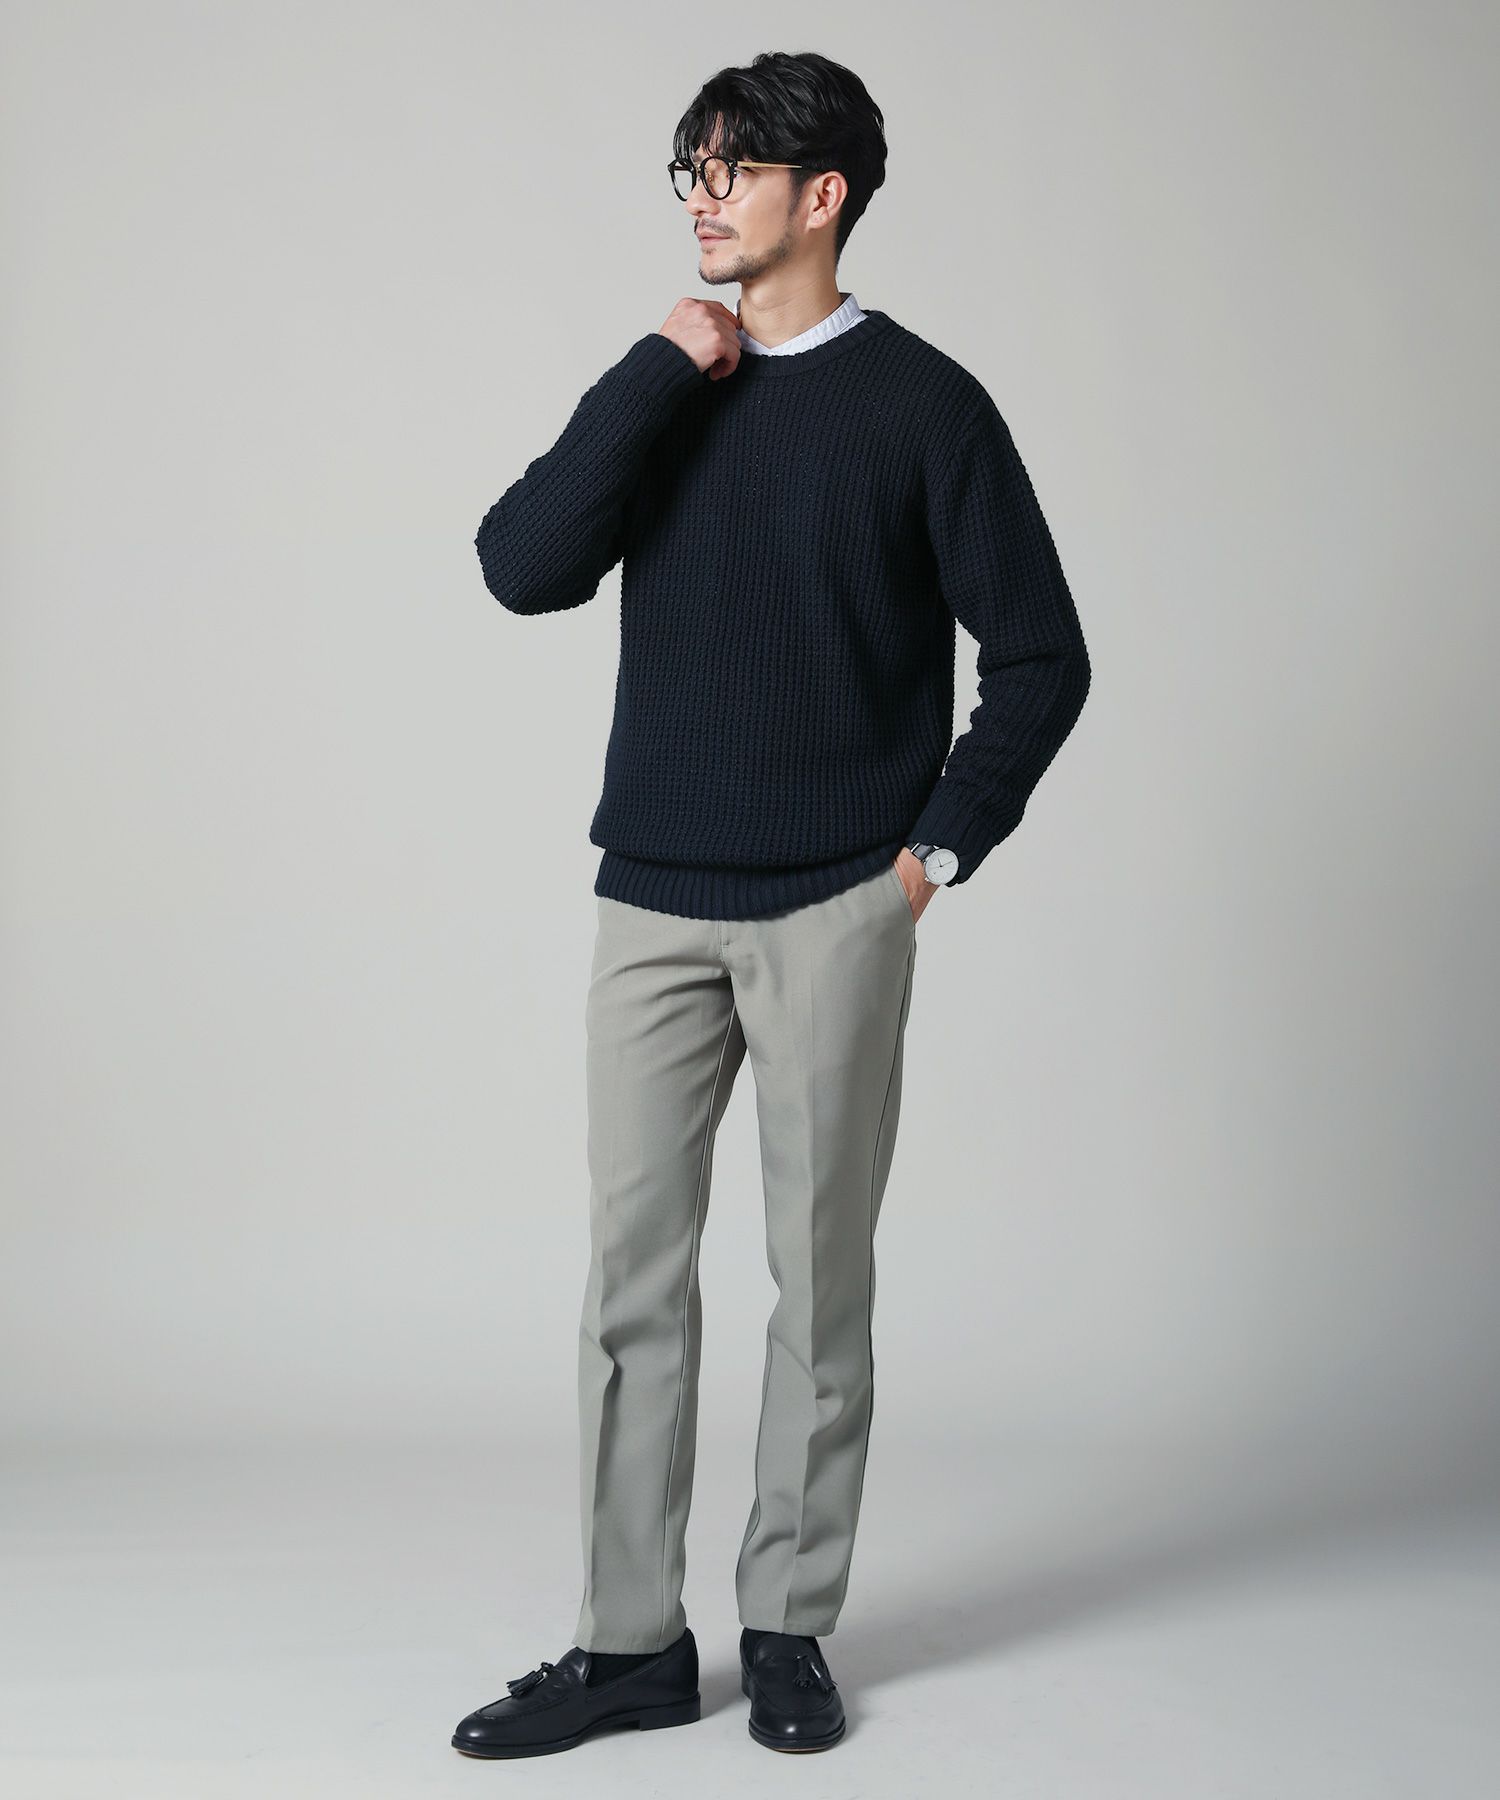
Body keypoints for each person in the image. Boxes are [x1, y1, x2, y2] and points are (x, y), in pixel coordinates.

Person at [452, 48, 1091, 1760]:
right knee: (628, 1284)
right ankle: (627, 1646)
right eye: (691, 169)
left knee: (819, 1283)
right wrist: (656, 368)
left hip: (835, 907)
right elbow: (520, 566)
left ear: (825, 195)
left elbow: (1042, 657)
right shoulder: (673, 383)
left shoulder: (927, 406)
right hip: (651, 903)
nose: (702, 196)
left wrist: (928, 859)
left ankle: (790, 1626)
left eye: (731, 170)